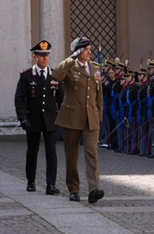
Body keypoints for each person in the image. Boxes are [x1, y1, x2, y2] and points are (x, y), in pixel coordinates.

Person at [53, 37, 104, 203]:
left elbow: (98, 95)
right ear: (78, 51)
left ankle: (94, 189)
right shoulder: (69, 66)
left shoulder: (95, 68)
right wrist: (71, 58)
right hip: (72, 118)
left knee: (92, 152)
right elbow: (56, 74)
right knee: (72, 156)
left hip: (91, 118)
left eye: (89, 49)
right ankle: (73, 189)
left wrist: (99, 116)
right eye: (87, 49)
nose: (90, 52)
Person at [14, 40, 64, 195]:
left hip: (50, 120)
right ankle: (31, 181)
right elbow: (20, 98)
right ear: (35, 57)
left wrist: (62, 119)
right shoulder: (27, 76)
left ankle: (51, 185)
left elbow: (61, 100)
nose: (45, 58)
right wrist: (22, 117)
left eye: (47, 55)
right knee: (32, 151)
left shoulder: (55, 75)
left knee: (51, 153)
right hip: (33, 119)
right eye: (42, 55)